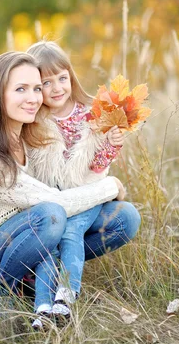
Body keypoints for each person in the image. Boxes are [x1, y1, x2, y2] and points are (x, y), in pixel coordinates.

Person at [0, 51, 125, 329]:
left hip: (28, 236)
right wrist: (110, 186)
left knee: (123, 217)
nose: (33, 97)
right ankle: (0, 290)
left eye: (35, 88)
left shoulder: (26, 136)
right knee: (51, 215)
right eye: (21, 89)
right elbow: (54, 203)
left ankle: (41, 280)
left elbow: (62, 184)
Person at [25, 41, 141, 323]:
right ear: (36, 88)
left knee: (71, 232)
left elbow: (97, 167)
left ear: (71, 77)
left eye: (62, 79)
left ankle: (65, 297)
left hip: (87, 193)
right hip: (53, 198)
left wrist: (111, 145)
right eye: (46, 82)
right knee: (49, 245)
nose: (57, 88)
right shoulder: (35, 120)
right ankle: (41, 308)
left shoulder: (91, 113)